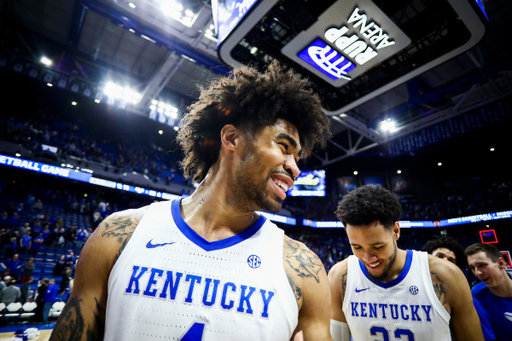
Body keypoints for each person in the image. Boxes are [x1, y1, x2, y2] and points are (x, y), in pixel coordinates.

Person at [50, 61, 332, 341]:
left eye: (297, 159)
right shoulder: (118, 234)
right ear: (231, 138)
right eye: (284, 147)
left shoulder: (304, 269)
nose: (295, 168)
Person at [328, 185, 484, 341]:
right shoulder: (340, 277)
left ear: (396, 231)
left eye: (378, 247)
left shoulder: (446, 276)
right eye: (357, 247)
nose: (368, 258)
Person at [466, 243, 512, 341]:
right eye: (472, 268)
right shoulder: (476, 297)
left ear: (501, 263)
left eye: (482, 265)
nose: (477, 273)